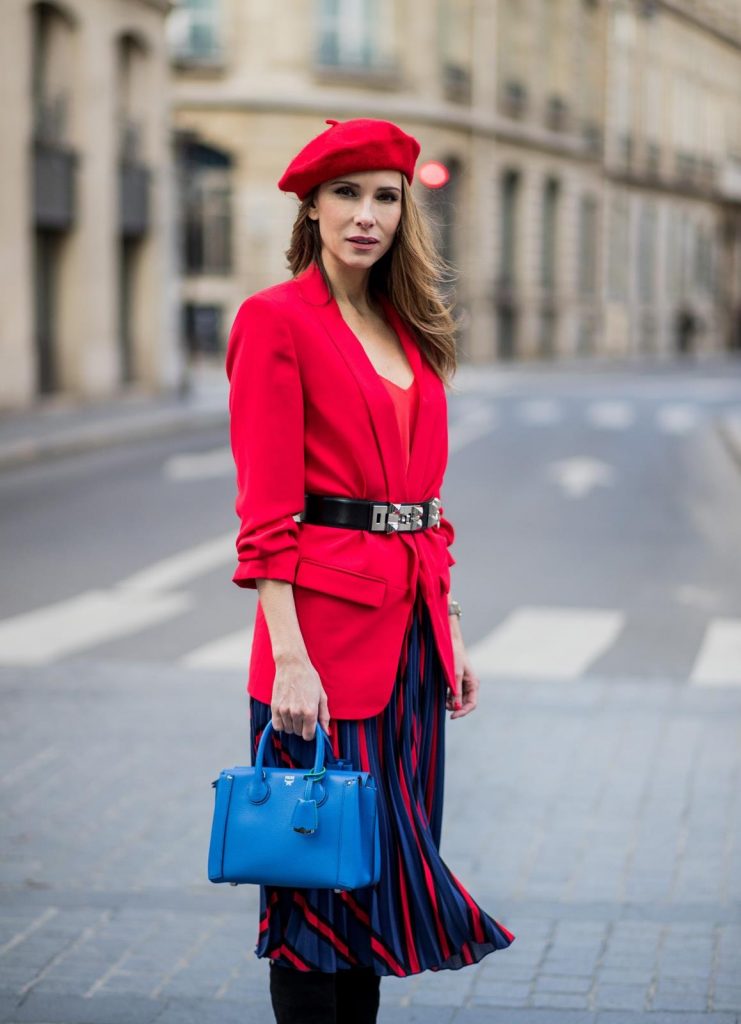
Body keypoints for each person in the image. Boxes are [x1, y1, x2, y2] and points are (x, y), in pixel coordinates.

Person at [225, 117, 514, 1024]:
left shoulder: (409, 324)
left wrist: (452, 623)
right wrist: (291, 661)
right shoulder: (273, 322)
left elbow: (425, 506)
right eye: (345, 194)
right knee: (316, 894)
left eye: (384, 196)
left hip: (411, 650)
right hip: (325, 649)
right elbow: (267, 517)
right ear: (310, 207)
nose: (366, 215)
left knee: (376, 887)